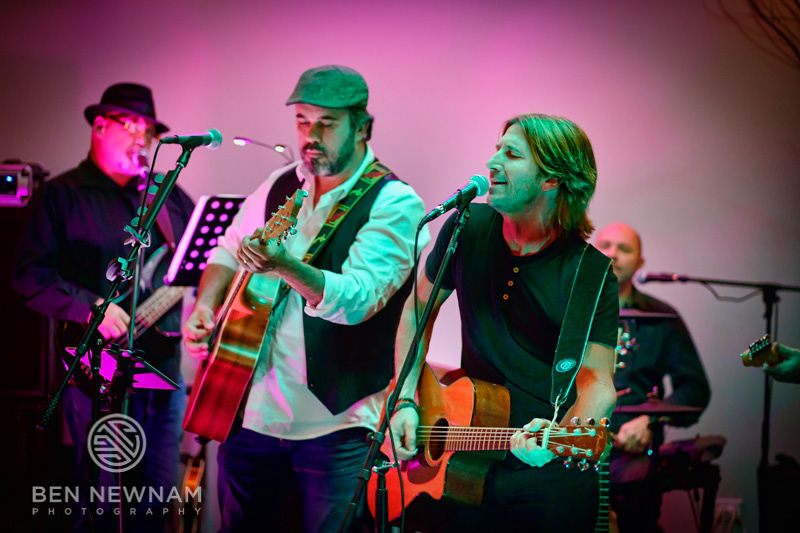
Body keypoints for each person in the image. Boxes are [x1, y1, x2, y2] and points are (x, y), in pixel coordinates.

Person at [182, 65, 428, 532]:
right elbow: (227, 249)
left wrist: (284, 265)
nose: (310, 136)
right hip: (250, 413)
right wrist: (206, 306)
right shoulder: (280, 182)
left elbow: (357, 300)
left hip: (335, 427)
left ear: (362, 127)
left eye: (327, 123)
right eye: (302, 120)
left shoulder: (394, 202)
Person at [390, 113, 619, 532]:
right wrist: (404, 400)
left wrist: (560, 437)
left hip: (548, 477)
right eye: (497, 149)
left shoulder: (589, 273)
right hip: (466, 460)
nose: (492, 162)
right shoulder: (466, 226)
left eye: (511, 154)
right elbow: (416, 312)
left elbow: (597, 382)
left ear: (551, 180)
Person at [11, 83, 195, 531]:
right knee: (102, 500)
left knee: (156, 499)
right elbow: (28, 276)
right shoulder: (61, 195)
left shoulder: (166, 195)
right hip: (98, 373)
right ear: (99, 126)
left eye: (148, 130)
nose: (141, 138)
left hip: (164, 368)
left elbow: (202, 259)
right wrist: (91, 306)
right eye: (130, 125)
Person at [593, 222, 711, 532]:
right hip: (572, 452)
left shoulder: (661, 317)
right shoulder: (566, 310)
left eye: (624, 249)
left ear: (640, 262)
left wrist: (650, 420)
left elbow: (695, 389)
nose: (613, 254)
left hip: (633, 459)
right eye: (605, 246)